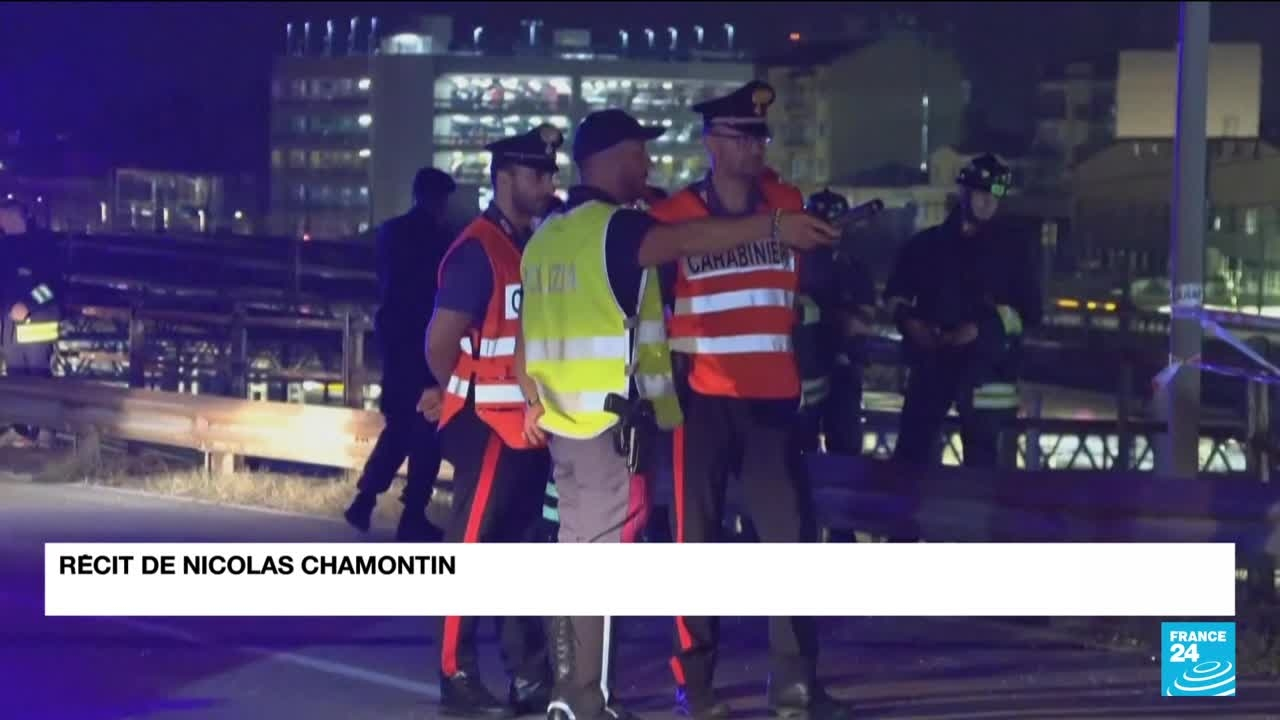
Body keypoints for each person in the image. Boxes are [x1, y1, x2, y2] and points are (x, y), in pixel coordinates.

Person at [515, 107, 839, 720]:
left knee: (575, 557)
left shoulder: (546, 236)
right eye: (638, 153)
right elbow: (686, 240)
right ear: (611, 158)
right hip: (608, 425)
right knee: (598, 565)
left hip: (563, 426)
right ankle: (583, 699)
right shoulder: (617, 228)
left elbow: (524, 339)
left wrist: (535, 400)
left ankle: (572, 693)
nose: (647, 164)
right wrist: (775, 227)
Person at [646, 81, 853, 720]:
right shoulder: (675, 216)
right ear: (711, 142)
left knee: (791, 540)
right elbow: (651, 298)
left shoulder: (788, 204)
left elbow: (810, 287)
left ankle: (795, 684)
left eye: (761, 135)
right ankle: (695, 685)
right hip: (700, 401)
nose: (756, 146)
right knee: (696, 544)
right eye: (742, 135)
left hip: (772, 401)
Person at [424, 125, 561, 717]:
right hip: (485, 424)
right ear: (504, 178)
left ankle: (529, 675)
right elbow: (440, 343)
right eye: (538, 173)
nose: (549, 183)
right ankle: (455, 675)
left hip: (526, 427)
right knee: (471, 549)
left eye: (552, 172)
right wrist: (461, 391)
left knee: (519, 551)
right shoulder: (478, 251)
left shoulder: (536, 245)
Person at [884, 153, 1041, 468]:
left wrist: (980, 329)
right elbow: (895, 297)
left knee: (981, 469)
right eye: (981, 192)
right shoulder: (926, 246)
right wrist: (911, 324)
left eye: (995, 194)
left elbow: (1030, 313)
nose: (988, 201)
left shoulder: (1013, 252)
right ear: (963, 192)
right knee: (912, 459)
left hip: (986, 369)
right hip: (933, 362)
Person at [344, 167, 456, 541]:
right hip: (425, 343)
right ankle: (412, 515)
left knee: (398, 428)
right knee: (427, 435)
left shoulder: (390, 233)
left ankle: (366, 498)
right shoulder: (441, 239)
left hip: (395, 343)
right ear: (439, 199)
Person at [794, 188, 877, 456]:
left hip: (843, 371)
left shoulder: (853, 267)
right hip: (804, 373)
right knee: (801, 449)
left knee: (845, 450)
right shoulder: (794, 263)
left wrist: (831, 315)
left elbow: (863, 322)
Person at [1, 199, 60, 447]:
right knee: (16, 377)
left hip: (38, 324)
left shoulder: (42, 245)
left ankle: (45, 431)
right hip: (10, 327)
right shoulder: (4, 246)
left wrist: (28, 304)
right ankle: (21, 429)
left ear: (14, 216)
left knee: (39, 377)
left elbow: (53, 284)